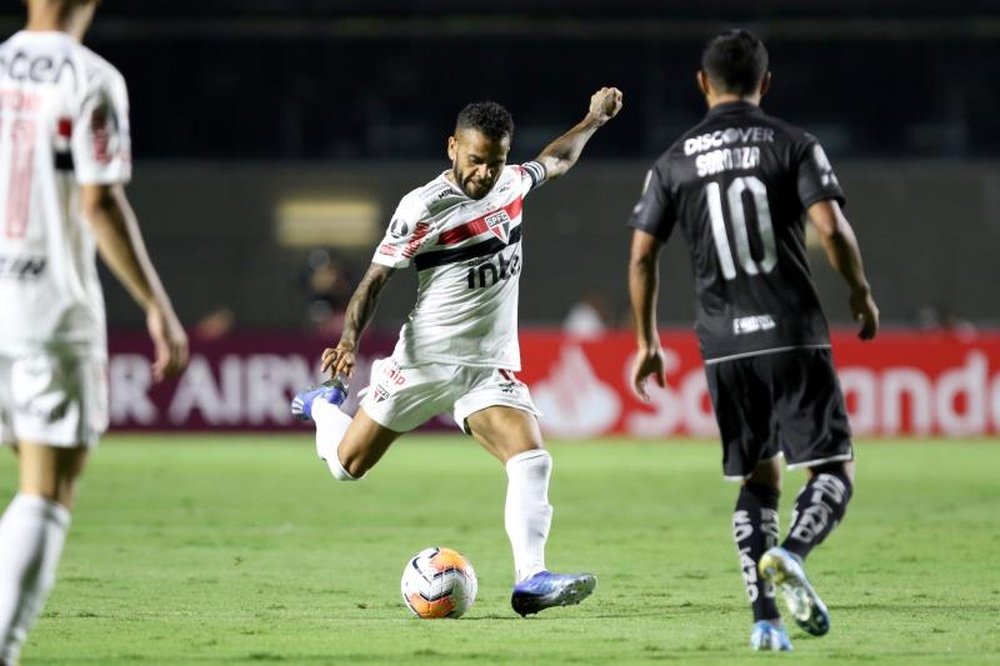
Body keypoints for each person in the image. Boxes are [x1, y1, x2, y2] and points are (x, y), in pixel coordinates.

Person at [291, 87, 623, 616]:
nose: (484, 174)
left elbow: (555, 160)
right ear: (452, 148)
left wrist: (592, 119)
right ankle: (322, 407)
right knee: (347, 466)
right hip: (424, 362)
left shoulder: (511, 183)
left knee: (532, 460)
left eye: (495, 162)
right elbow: (375, 280)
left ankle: (531, 579)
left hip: (487, 365)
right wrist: (349, 341)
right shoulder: (422, 207)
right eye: (474, 161)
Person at [627, 29, 878, 651]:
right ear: (766, 84)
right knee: (833, 467)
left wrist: (646, 340)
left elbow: (641, 257)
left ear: (701, 83)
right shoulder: (793, 143)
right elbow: (833, 228)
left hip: (722, 343)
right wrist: (859, 292)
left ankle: (765, 621)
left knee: (758, 479)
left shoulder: (673, 161)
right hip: (792, 332)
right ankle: (793, 552)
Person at [0, 2, 188, 663]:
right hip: (46, 310)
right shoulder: (90, 79)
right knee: (46, 486)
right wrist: (156, 305)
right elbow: (98, 201)